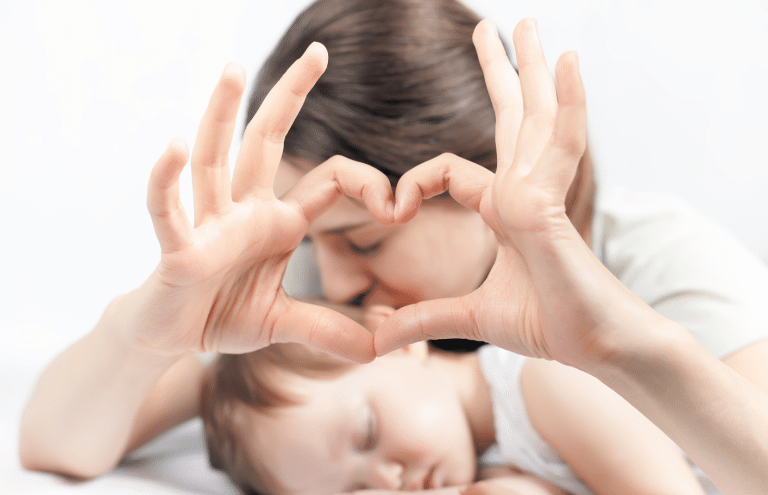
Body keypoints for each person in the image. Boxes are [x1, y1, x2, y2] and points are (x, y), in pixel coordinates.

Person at [18, 0, 768, 493]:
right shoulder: (323, 292)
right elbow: (58, 444)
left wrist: (612, 343)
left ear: (477, 179)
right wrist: (146, 328)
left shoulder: (661, 262)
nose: (335, 278)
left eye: (365, 238)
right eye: (314, 238)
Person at [200, 305, 709, 495]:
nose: (386, 482)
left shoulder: (546, 383)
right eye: (354, 493)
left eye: (367, 433)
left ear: (395, 340)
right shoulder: (481, 466)